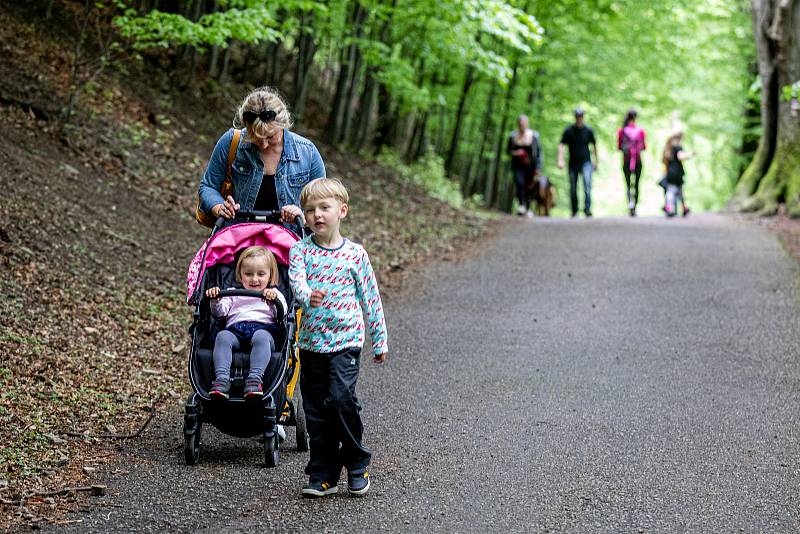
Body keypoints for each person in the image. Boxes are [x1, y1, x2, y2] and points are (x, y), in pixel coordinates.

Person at [288, 178, 388, 498]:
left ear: (341, 211)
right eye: (309, 210)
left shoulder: (355, 255)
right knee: (316, 409)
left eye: (324, 208)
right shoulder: (299, 251)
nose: (317, 215)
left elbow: (370, 298)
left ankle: (357, 463)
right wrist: (306, 295)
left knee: (342, 398)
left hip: (346, 340)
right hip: (311, 342)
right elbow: (296, 283)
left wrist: (380, 339)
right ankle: (324, 472)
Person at [198, 86, 325, 231]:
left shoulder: (307, 152)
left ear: (283, 125)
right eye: (256, 138)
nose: (264, 145)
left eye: (270, 137)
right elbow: (208, 186)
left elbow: (322, 203)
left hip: (290, 243)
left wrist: (302, 216)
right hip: (238, 238)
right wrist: (219, 207)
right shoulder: (231, 142)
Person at [205, 246, 288, 400]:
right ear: (240, 274)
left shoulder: (274, 294)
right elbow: (219, 313)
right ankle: (221, 379)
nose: (254, 279)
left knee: (261, 337)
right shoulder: (232, 293)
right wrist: (215, 299)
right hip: (235, 330)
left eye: (261, 274)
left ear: (270, 275)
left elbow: (281, 315)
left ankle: (255, 379)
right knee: (222, 336)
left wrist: (272, 302)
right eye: (248, 274)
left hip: (264, 330)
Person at [558, 108, 598, 217]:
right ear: (575, 117)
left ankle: (587, 209)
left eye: (581, 116)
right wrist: (560, 160)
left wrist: (596, 161)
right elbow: (561, 145)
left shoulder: (589, 130)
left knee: (587, 185)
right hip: (573, 163)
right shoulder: (569, 131)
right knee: (573, 188)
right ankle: (574, 210)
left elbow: (594, 145)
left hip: (586, 163)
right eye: (577, 116)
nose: (579, 118)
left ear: (583, 117)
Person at [507, 115, 543, 218]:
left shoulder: (534, 135)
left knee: (529, 187)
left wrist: (538, 168)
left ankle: (528, 207)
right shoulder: (513, 136)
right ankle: (521, 205)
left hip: (531, 167)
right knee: (519, 183)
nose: (522, 125)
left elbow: (539, 153)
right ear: (518, 124)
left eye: (523, 123)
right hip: (518, 166)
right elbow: (508, 151)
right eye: (520, 123)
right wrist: (517, 153)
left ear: (527, 123)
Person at [617, 109, 646, 216]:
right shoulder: (640, 131)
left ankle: (630, 204)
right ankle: (635, 206)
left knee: (628, 184)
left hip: (626, 160)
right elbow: (644, 147)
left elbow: (619, 146)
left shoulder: (622, 131)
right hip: (638, 160)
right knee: (637, 184)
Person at [662, 129, 693, 217]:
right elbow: (681, 156)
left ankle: (683, 208)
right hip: (677, 173)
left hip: (669, 173)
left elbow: (664, 161)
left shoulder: (668, 147)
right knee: (674, 191)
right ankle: (670, 208)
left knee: (676, 191)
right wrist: (690, 154)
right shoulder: (677, 147)